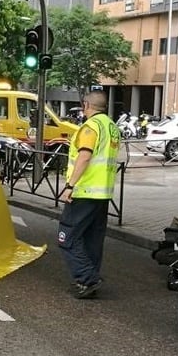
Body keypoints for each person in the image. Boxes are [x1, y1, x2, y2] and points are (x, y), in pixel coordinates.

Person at [57, 91, 121, 299]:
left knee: (67, 237)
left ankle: (88, 278)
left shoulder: (90, 127)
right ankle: (87, 283)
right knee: (93, 240)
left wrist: (69, 186)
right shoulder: (111, 127)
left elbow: (84, 156)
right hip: (102, 194)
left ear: (86, 105)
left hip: (84, 192)